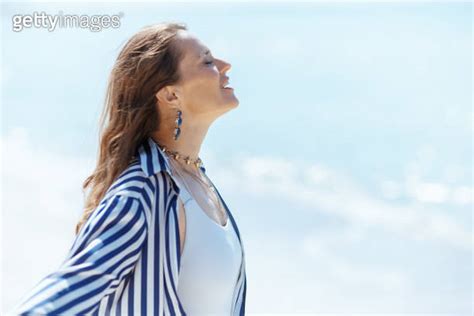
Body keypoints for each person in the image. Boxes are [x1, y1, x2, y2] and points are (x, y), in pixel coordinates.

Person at [11, 22, 247, 315]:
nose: (225, 66)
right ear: (171, 95)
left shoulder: (198, 181)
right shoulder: (141, 193)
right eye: (208, 61)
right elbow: (70, 289)